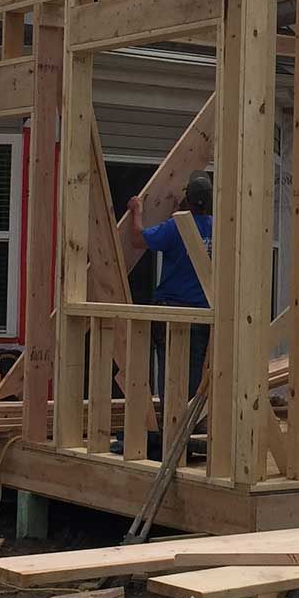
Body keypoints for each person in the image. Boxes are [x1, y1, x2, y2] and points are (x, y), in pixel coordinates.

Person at [117, 172, 212, 458]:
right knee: (195, 375)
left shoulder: (174, 228)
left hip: (172, 311)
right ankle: (191, 431)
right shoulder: (217, 227)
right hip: (202, 314)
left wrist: (137, 211)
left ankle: (172, 434)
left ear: (187, 199)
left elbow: (136, 239)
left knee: (170, 375)